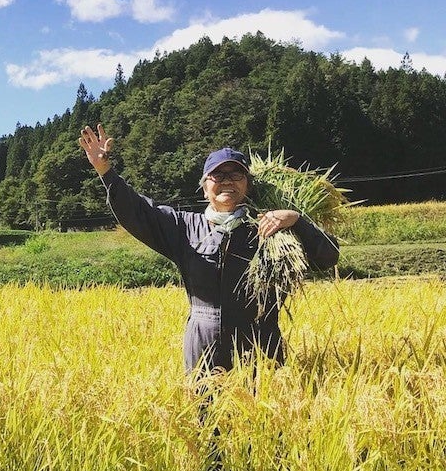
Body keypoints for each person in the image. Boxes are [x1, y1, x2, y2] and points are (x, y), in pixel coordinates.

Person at [79, 124, 339, 374]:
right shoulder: (184, 227)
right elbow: (138, 212)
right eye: (217, 175)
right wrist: (106, 172)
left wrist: (296, 219)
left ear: (248, 185)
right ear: (204, 188)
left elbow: (328, 257)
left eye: (236, 175)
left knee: (259, 418)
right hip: (204, 346)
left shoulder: (273, 229)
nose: (227, 181)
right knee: (204, 415)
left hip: (261, 347)